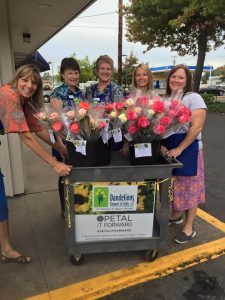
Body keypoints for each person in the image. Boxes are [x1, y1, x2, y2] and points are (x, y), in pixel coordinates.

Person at [0, 64, 72, 264]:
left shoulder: (23, 101)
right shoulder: (9, 96)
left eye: (34, 82)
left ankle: (5, 248)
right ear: (16, 79)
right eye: (25, 80)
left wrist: (58, 146)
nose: (29, 85)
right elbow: (26, 136)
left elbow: (36, 128)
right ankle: (5, 248)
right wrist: (54, 163)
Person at [161, 64, 207, 244]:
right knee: (172, 187)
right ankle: (175, 215)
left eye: (181, 78)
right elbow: (158, 128)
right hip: (168, 150)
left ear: (187, 81)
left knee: (190, 188)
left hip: (188, 149)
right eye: (174, 77)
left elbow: (196, 127)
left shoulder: (193, 98)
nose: (176, 80)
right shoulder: (165, 100)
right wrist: (160, 147)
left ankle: (188, 227)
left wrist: (180, 148)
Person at [50, 57, 84, 216]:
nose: (74, 76)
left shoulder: (79, 91)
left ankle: (78, 204)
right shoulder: (58, 92)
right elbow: (55, 121)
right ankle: (66, 209)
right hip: (63, 140)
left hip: (79, 140)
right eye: (70, 73)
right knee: (65, 174)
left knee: (78, 172)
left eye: (76, 73)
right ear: (62, 75)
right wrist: (59, 143)